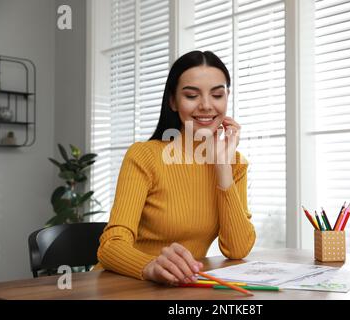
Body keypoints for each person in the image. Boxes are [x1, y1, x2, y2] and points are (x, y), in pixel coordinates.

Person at [97, 50, 256, 285]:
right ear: (173, 101)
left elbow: (237, 248)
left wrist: (223, 169)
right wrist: (149, 266)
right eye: (192, 96)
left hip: (181, 288)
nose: (206, 106)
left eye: (217, 95)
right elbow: (111, 246)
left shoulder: (234, 163)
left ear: (227, 97)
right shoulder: (144, 156)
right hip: (128, 284)